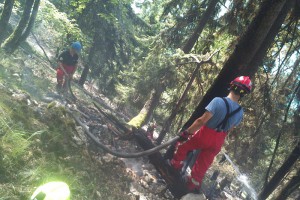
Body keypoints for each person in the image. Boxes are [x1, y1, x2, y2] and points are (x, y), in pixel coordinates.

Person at [168, 76, 252, 192]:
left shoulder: (218, 101)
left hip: (206, 133)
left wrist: (187, 133)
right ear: (244, 94)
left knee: (183, 146)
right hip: (219, 140)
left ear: (231, 85)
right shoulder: (240, 112)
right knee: (202, 165)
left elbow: (201, 121)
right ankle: (191, 187)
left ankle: (173, 168)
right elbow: (230, 129)